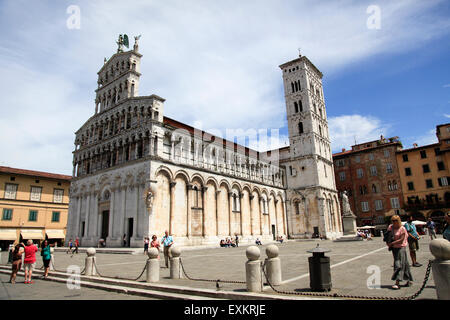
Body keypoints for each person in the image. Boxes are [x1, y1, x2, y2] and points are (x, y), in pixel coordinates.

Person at [387, 215, 413, 290]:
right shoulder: (390, 227)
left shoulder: (402, 228)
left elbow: (402, 240)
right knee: (405, 263)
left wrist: (392, 243)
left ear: (398, 221)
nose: (394, 222)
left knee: (398, 264)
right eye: (392, 221)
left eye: (395, 221)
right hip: (394, 248)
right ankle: (409, 280)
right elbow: (387, 236)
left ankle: (397, 283)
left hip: (401, 248)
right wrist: (388, 243)